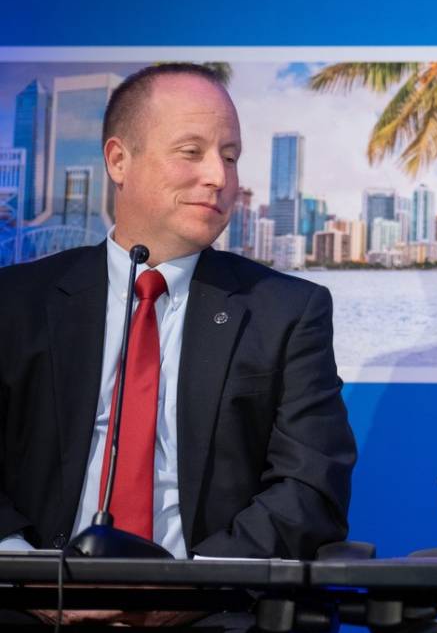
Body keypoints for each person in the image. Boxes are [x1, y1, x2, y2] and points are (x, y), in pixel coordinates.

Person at [0, 63, 356, 559]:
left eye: (230, 158)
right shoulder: (17, 303)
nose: (218, 177)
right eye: (192, 153)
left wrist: (195, 583)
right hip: (30, 607)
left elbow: (309, 489)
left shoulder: (287, 313)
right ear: (119, 160)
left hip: (208, 615)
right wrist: (24, 570)